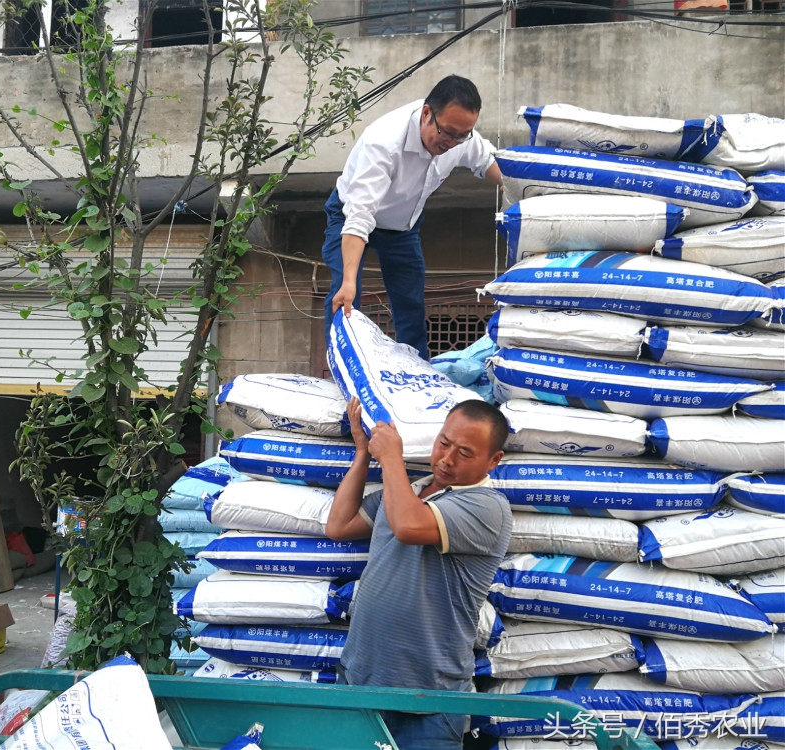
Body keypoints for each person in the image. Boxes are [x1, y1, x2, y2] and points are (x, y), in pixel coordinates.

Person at [325, 398, 512, 750]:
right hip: (360, 682)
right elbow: (339, 525)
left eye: (464, 453)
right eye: (444, 443)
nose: (447, 459)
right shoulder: (406, 492)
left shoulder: (488, 508)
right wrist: (364, 452)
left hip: (429, 700)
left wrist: (391, 457)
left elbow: (408, 526)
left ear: (493, 460)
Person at [322, 75, 504, 359]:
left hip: (402, 226)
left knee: (410, 303)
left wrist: (519, 188)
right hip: (351, 216)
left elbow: (489, 162)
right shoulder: (384, 141)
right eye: (447, 133)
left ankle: (416, 368)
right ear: (427, 113)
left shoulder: (460, 136)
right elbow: (359, 217)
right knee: (346, 295)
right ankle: (344, 367)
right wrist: (348, 281)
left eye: (462, 136)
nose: (453, 143)